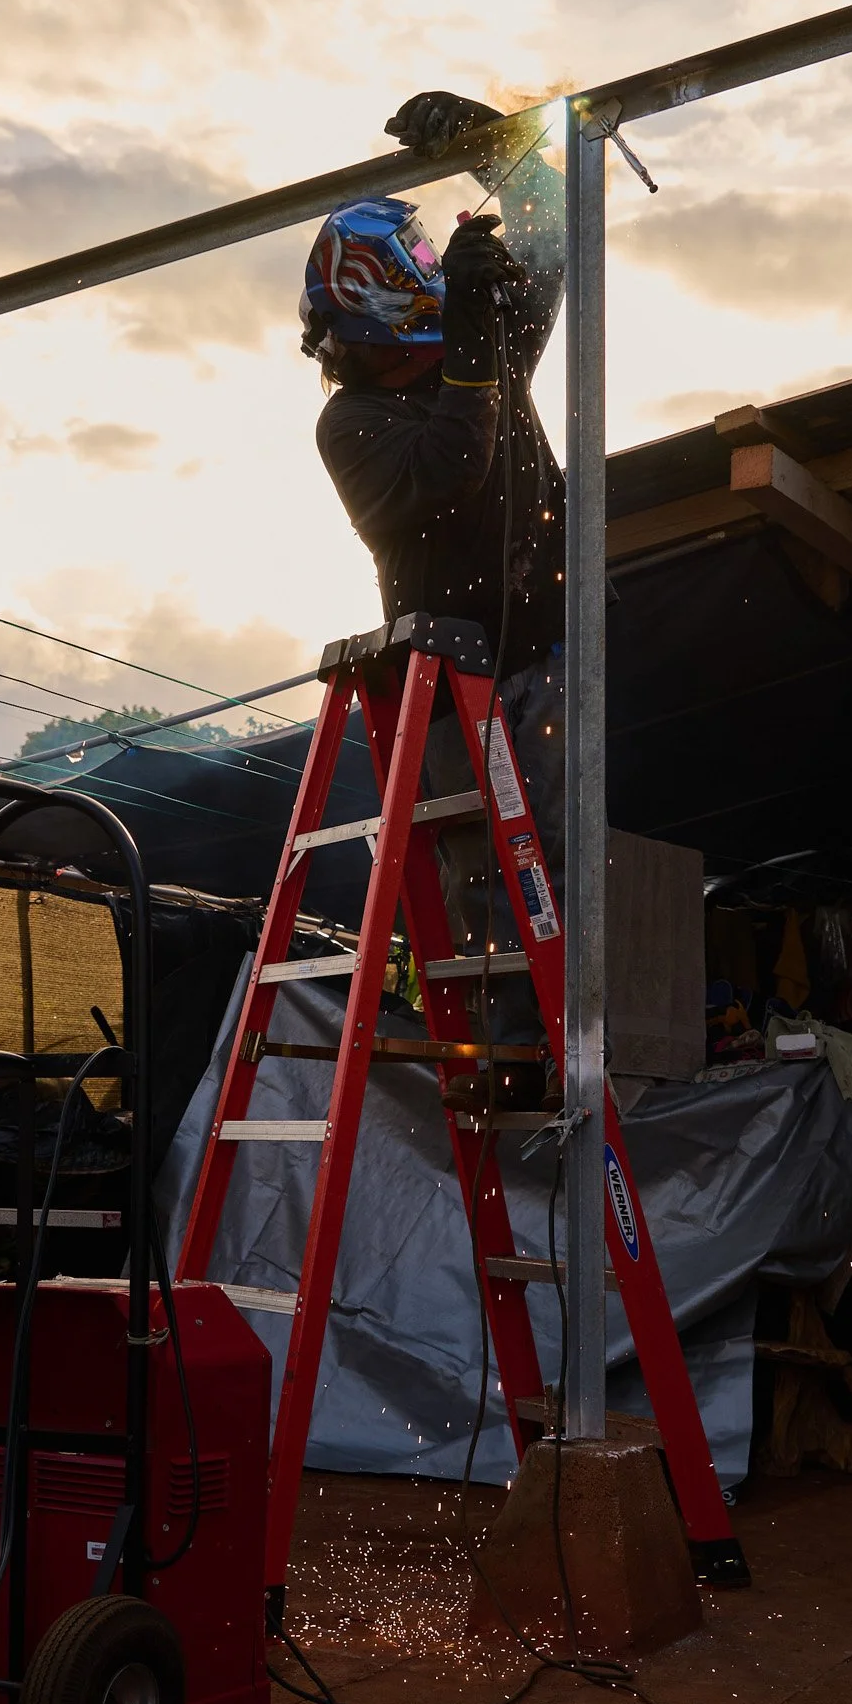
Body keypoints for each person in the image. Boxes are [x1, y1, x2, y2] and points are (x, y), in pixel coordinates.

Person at [300, 89, 567, 1106]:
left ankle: (557, 1057)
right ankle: (499, 1078)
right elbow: (457, 460)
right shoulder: (354, 423)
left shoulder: (475, 346)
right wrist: (462, 328)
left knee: (558, 863)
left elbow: (557, 241)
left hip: (545, 648)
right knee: (480, 887)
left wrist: (500, 152)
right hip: (449, 679)